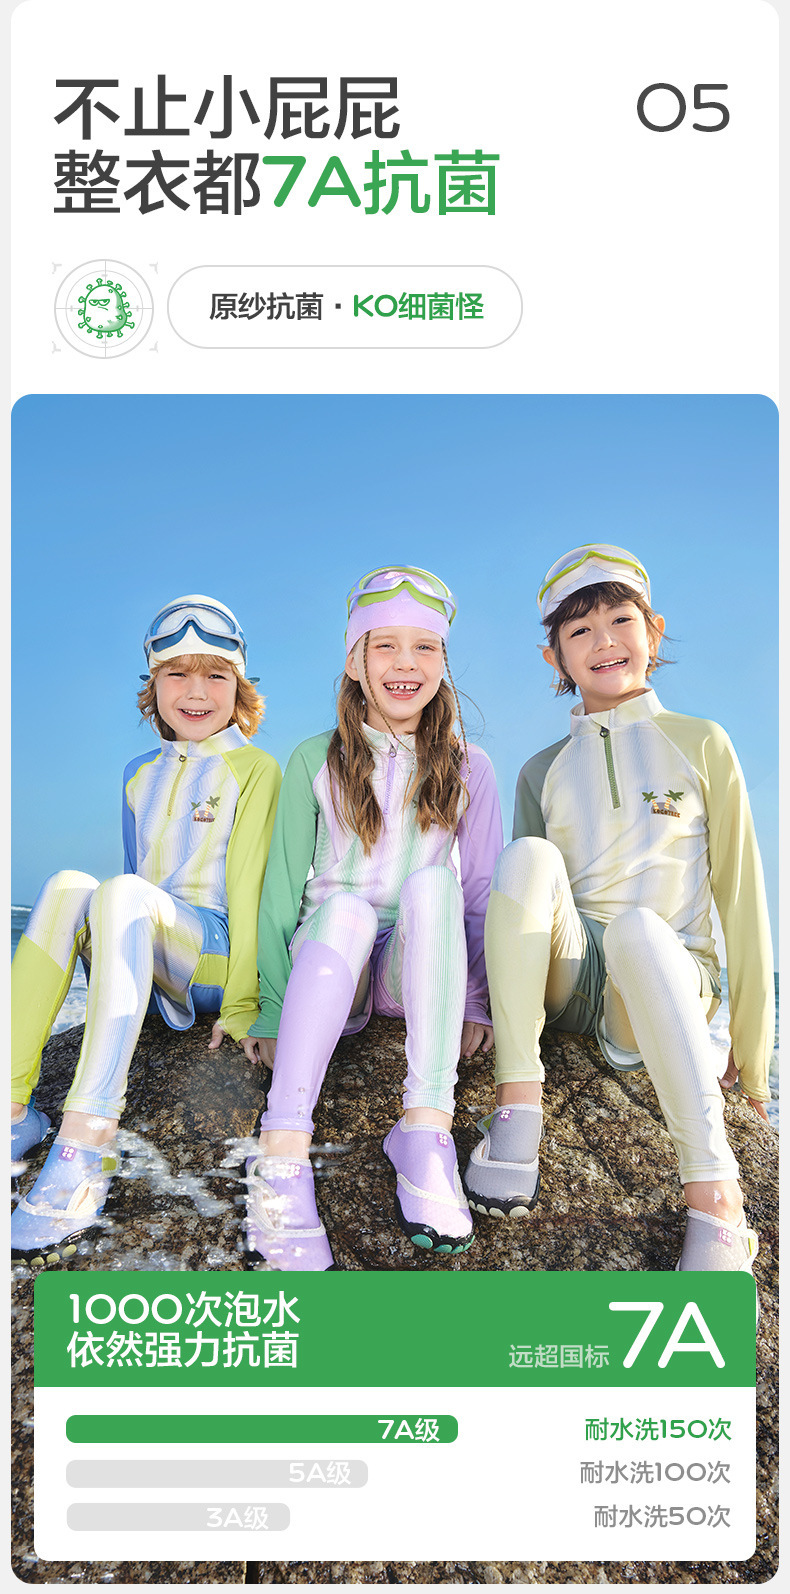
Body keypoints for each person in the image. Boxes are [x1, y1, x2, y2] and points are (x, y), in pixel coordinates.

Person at [463, 544, 773, 1274]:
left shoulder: (702, 742)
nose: (604, 641)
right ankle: (518, 1112)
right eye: (580, 631)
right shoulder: (541, 769)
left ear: (653, 630)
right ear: (555, 657)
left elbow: (742, 898)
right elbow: (524, 910)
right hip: (579, 983)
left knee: (638, 928)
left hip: (667, 983)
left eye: (621, 620)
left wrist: (753, 1059)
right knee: (525, 856)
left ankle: (716, 1200)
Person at [245, 565, 503, 1271]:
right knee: (347, 907)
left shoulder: (470, 766)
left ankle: (425, 1132)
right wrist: (271, 1008)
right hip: (331, 958)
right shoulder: (314, 758)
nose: (405, 664)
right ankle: (282, 1151)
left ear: (443, 662)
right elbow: (279, 892)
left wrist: (474, 999)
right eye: (384, 646)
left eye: (425, 647)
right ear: (355, 662)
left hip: (404, 971)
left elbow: (478, 891)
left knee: (435, 885)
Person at [11, 596, 281, 1262]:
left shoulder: (255, 769)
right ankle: (14, 1110)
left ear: (239, 687)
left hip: (214, 956)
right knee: (68, 886)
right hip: (147, 945)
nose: (196, 692)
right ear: (153, 686)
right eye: (176, 674)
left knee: (123, 893)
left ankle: (88, 1141)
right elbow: (132, 880)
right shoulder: (136, 775)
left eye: (215, 675)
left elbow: (254, 891)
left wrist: (246, 1006)